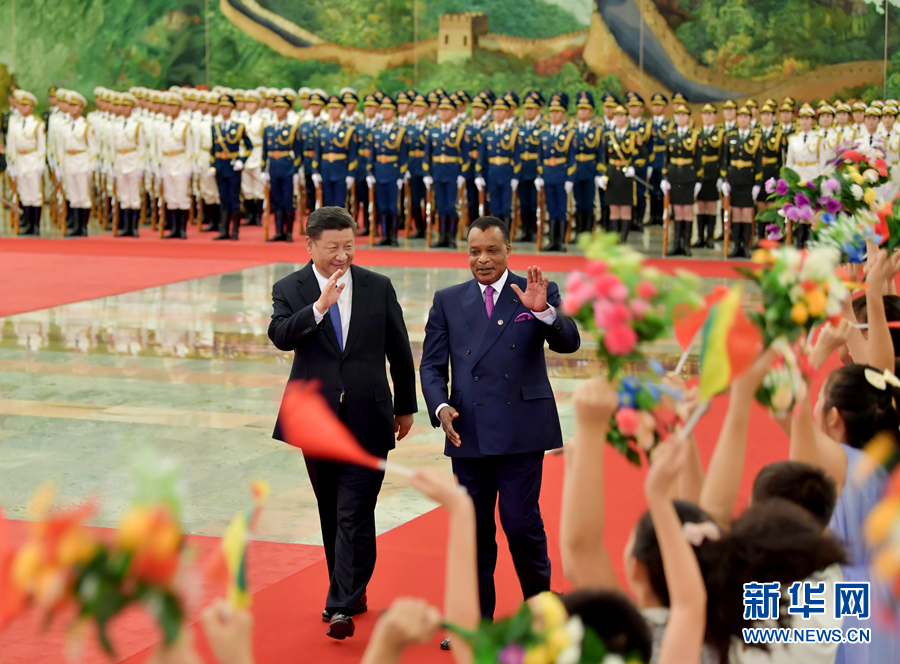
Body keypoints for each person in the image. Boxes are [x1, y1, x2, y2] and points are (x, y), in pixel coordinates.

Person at [419, 217, 581, 632]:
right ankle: (477, 622)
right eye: (474, 251)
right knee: (473, 530)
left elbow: (569, 342)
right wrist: (440, 407)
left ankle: (542, 613)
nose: (483, 259)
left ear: (509, 250)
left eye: (492, 250)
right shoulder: (448, 300)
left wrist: (543, 312)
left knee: (521, 524)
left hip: (521, 429)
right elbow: (432, 365)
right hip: (467, 430)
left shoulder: (535, 291)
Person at [267, 207, 417, 640]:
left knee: (354, 510)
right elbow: (280, 336)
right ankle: (352, 591)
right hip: (315, 418)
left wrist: (405, 406)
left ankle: (340, 605)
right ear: (310, 245)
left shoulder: (377, 286)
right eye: (333, 247)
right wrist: (318, 308)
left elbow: (399, 350)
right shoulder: (289, 288)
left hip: (369, 416)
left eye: (349, 245)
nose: (342, 255)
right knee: (332, 509)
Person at [423, 97, 467, 247]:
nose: (443, 113)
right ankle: (442, 237)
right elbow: (427, 154)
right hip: (438, 172)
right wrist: (427, 173)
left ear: (453, 112)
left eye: (447, 110)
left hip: (453, 172)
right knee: (440, 205)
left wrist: (462, 174)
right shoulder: (433, 130)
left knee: (451, 206)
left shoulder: (459, 130)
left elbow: (465, 156)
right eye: (441, 110)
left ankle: (451, 237)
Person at [535, 93, 575, 252]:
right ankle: (552, 240)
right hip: (548, 174)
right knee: (551, 209)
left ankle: (561, 241)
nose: (554, 115)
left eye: (557, 112)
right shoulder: (544, 133)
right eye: (552, 111)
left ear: (563, 113)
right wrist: (539, 175)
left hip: (561, 174)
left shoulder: (568, 133)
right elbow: (540, 157)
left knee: (562, 210)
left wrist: (570, 178)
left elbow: (571, 158)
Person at [366, 96, 408, 246]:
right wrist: (370, 172)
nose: (385, 112)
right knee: (382, 205)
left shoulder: (400, 131)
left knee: (393, 206)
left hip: (393, 171)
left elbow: (403, 155)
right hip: (380, 171)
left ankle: (394, 236)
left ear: (394, 112)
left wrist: (401, 175)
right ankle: (384, 235)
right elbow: (372, 154)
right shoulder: (376, 131)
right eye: (383, 109)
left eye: (388, 109)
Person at [661, 103, 702, 257]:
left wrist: (699, 179)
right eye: (678, 115)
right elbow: (666, 158)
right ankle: (676, 244)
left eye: (683, 115)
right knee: (678, 211)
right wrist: (664, 177)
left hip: (689, 176)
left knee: (687, 211)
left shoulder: (694, 135)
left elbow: (698, 159)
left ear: (689, 117)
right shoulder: (671, 136)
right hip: (674, 176)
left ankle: (686, 244)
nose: (680, 118)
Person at [210, 94, 252, 241]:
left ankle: (235, 231)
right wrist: (212, 165)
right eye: (221, 106)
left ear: (232, 108)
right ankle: (223, 230)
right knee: (223, 197)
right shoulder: (215, 127)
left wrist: (241, 161)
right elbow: (213, 149)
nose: (223, 109)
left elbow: (249, 146)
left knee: (234, 198)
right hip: (220, 166)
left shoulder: (239, 126)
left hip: (233, 167)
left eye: (226, 107)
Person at [601, 104, 646, 243]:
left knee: (625, 209)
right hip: (612, 174)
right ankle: (615, 237)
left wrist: (634, 167)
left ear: (626, 118)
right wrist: (603, 174)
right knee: (614, 209)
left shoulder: (632, 135)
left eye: (622, 116)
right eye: (616, 116)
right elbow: (603, 158)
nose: (619, 119)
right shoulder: (608, 136)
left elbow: (643, 155)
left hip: (626, 175)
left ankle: (623, 239)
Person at [721, 106, 761, 259]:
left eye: (746, 116)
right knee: (736, 214)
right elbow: (725, 159)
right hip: (734, 179)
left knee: (747, 214)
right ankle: (736, 246)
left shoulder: (755, 137)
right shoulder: (730, 136)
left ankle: (746, 246)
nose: (743, 119)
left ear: (750, 119)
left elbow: (758, 162)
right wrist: (724, 179)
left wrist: (757, 183)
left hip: (748, 179)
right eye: (740, 116)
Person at [261, 95, 301, 242]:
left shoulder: (291, 129)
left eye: (282, 107)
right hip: (273, 167)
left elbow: (298, 152)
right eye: (276, 107)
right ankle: (278, 231)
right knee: (276, 200)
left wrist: (296, 171)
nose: (279, 110)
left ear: (287, 109)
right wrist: (263, 169)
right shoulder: (268, 129)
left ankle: (288, 232)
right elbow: (264, 151)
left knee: (287, 201)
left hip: (287, 167)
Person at [784, 104, 824, 248]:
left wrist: (821, 181)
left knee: (812, 212)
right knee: (800, 212)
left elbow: (822, 162)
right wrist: (787, 181)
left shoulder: (819, 138)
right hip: (798, 178)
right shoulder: (793, 139)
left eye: (807, 118)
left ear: (812, 120)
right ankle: (800, 243)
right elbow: (789, 163)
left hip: (812, 177)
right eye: (802, 118)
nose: (804, 121)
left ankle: (811, 243)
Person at [6, 90, 45, 236]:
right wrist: (11, 164)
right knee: (24, 194)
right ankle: (27, 224)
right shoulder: (14, 123)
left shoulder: (38, 124)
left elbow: (41, 147)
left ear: (32, 107)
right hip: (20, 161)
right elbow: (11, 145)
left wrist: (40, 166)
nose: (22, 108)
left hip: (32, 159)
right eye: (21, 105)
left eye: (26, 105)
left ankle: (36, 225)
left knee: (35, 195)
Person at [477, 97, 519, 230]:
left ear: (507, 113)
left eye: (502, 111)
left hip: (506, 171)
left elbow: (517, 157)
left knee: (506, 206)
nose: (498, 113)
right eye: (496, 110)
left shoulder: (512, 132)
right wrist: (478, 174)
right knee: (494, 204)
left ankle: (505, 234)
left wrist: (516, 176)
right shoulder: (486, 133)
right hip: (492, 171)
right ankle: (496, 233)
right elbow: (481, 157)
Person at [312, 95, 358, 209]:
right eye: (330, 108)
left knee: (340, 204)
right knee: (326, 204)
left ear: (342, 110)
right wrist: (315, 171)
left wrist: (351, 174)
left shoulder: (349, 130)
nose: (333, 111)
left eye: (336, 108)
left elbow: (352, 154)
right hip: (325, 170)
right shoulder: (321, 129)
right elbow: (317, 153)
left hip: (341, 170)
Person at [157, 93, 193, 239]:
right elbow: (159, 147)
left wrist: (188, 167)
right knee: (170, 196)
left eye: (174, 106)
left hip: (180, 161)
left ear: (180, 108)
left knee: (181, 196)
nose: (171, 109)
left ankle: (182, 229)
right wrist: (159, 166)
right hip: (167, 161)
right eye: (170, 106)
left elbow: (189, 148)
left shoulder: (185, 125)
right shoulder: (163, 125)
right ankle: (173, 228)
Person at [61, 90, 96, 237]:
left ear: (81, 109)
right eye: (70, 105)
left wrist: (91, 166)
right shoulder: (65, 125)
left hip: (82, 161)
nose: (72, 108)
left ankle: (83, 227)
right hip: (69, 161)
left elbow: (93, 148)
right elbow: (62, 147)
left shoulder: (86, 125)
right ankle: (75, 226)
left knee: (83, 196)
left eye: (75, 106)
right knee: (73, 196)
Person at [571, 91, 603, 240]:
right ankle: (579, 232)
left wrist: (599, 173)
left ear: (590, 112)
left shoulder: (596, 130)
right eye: (580, 109)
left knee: (589, 203)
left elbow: (600, 153)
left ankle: (588, 233)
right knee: (578, 202)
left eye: (585, 109)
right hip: (576, 169)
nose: (582, 112)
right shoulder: (572, 129)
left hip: (590, 169)